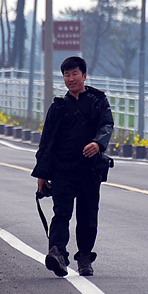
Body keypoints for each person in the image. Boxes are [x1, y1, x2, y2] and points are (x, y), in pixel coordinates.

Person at [32, 56, 114, 277]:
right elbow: (47, 141)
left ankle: (85, 257)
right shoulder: (58, 107)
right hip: (62, 171)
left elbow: (107, 124)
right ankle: (57, 254)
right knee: (61, 214)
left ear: (84, 76)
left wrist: (98, 143)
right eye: (66, 75)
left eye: (74, 74)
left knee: (88, 215)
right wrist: (42, 174)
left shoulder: (98, 101)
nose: (70, 79)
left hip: (89, 171)